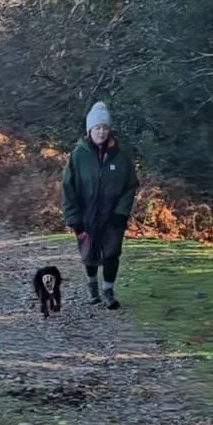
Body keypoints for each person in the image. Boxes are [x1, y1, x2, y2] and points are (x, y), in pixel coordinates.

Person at [61, 100, 139, 309]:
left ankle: (109, 290)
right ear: (90, 130)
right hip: (86, 214)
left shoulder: (121, 156)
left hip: (113, 215)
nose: (101, 132)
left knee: (112, 252)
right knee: (89, 253)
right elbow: (68, 188)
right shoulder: (78, 155)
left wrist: (122, 212)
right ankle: (92, 287)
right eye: (97, 128)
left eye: (105, 128)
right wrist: (73, 218)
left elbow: (131, 185)